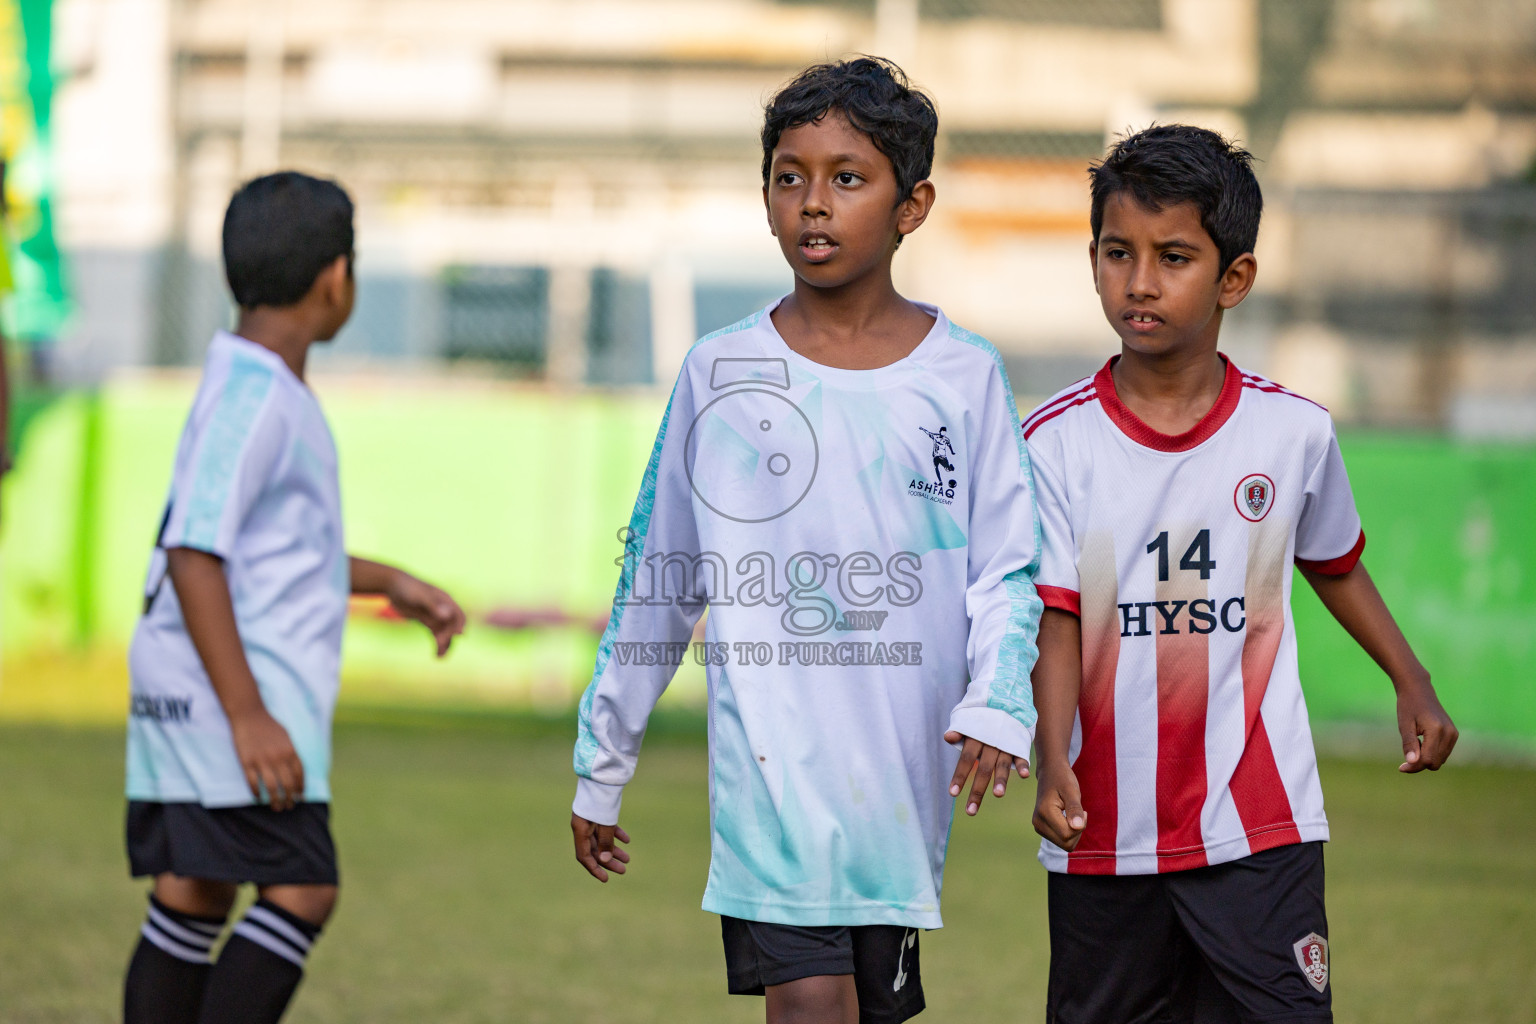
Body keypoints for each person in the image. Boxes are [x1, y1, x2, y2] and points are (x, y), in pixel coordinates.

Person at [569, 57, 1042, 1024]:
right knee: (811, 1005)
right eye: (790, 177)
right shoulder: (722, 370)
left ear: (913, 207)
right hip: (770, 775)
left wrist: (999, 701)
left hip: (898, 788)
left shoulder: (963, 376)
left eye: (847, 178)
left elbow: (1008, 569)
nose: (813, 203)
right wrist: (603, 759)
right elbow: (660, 579)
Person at [1024, 124, 1458, 1024]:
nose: (1139, 281)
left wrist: (1410, 679)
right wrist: (1051, 754)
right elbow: (1057, 616)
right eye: (1117, 252)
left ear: (1235, 278)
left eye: (1174, 257)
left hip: (1261, 821)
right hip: (1106, 826)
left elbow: (1335, 564)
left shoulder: (1292, 434)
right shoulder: (1054, 444)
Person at [121, 171, 467, 1024]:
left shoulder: (256, 384)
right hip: (225, 701)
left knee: (196, 889)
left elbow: (273, 554)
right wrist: (248, 715)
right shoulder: (255, 397)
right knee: (304, 888)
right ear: (336, 279)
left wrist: (391, 583)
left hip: (197, 693)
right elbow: (194, 553)